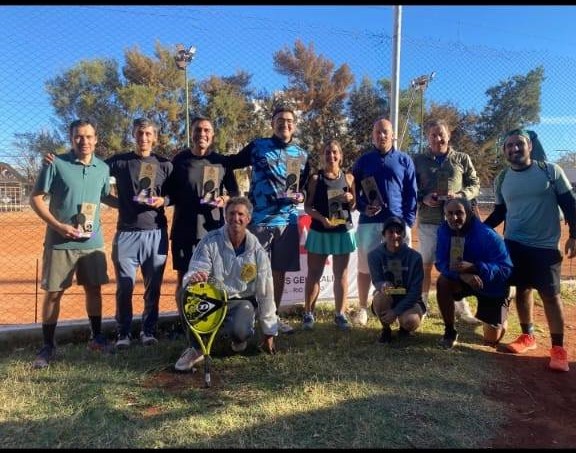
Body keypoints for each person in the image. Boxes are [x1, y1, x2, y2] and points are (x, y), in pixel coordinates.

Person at [485, 128, 576, 372]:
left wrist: (574, 235)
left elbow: (570, 204)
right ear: (504, 150)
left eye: (519, 144)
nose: (514, 148)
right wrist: (478, 229)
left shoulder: (550, 171)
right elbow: (500, 212)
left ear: (530, 147)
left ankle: (558, 349)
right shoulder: (502, 178)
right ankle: (528, 336)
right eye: (509, 145)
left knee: (551, 295)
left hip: (545, 246)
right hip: (514, 244)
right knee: (522, 289)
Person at [30, 119, 111, 368]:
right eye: (78, 136)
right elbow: (36, 199)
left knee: (94, 290)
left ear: (96, 139)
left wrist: (136, 203)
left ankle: (96, 338)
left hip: (92, 242)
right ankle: (48, 346)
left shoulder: (103, 168)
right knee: (53, 293)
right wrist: (59, 226)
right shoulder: (56, 163)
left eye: (88, 136)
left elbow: (105, 196)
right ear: (71, 138)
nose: (84, 141)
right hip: (59, 241)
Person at [226, 104, 310, 335]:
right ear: (272, 124)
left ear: (295, 125)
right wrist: (234, 193)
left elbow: (303, 187)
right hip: (259, 221)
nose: (285, 124)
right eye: (280, 120)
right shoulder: (258, 147)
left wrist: (302, 196)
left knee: (279, 272)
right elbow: (230, 163)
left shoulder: (302, 154)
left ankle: (273, 318)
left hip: (287, 221)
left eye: (289, 121)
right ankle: (248, 319)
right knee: (252, 271)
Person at [165, 116, 239, 370]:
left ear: (213, 134)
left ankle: (213, 330)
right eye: (198, 130)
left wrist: (224, 200)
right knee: (185, 284)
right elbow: (169, 193)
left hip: (213, 234)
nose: (202, 134)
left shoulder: (222, 162)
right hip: (184, 231)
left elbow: (234, 193)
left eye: (207, 130)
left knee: (215, 284)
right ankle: (192, 336)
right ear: (192, 133)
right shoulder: (180, 160)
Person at [175, 196, 278, 371]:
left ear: (248, 219)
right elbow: (196, 269)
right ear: (225, 216)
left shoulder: (258, 252)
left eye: (240, 214)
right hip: (214, 297)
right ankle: (196, 348)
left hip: (241, 302)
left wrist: (269, 332)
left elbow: (266, 292)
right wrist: (195, 276)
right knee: (185, 292)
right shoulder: (209, 241)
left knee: (240, 331)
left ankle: (239, 337)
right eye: (231, 214)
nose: (235, 218)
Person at [106, 118, 173, 349]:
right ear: (133, 135)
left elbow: (175, 194)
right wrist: (118, 203)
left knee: (153, 288)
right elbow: (92, 173)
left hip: (156, 233)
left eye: (148, 134)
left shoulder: (165, 165)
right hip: (126, 234)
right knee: (125, 287)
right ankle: (123, 333)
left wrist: (163, 200)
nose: (143, 138)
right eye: (139, 133)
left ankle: (148, 331)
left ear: (155, 137)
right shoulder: (119, 162)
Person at [413, 119, 481, 325]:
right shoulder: (419, 160)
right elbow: (410, 187)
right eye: (433, 135)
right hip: (429, 221)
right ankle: (422, 305)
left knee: (456, 263)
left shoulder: (461, 158)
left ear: (449, 135)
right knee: (426, 265)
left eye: (441, 134)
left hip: (456, 223)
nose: (437, 139)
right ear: (428, 138)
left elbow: (475, 184)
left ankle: (461, 306)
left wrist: (460, 195)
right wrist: (423, 198)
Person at [351, 117, 418, 326]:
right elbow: (352, 191)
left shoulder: (404, 160)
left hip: (397, 224)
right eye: (377, 132)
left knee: (400, 268)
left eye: (385, 132)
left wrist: (408, 221)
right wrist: (363, 207)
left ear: (393, 135)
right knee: (365, 267)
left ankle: (399, 307)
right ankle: (363, 308)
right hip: (369, 223)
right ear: (372, 136)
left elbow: (411, 193)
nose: (381, 135)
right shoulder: (363, 161)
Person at [435, 198, 512, 349]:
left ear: (469, 213)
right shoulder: (444, 231)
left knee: (491, 341)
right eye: (449, 213)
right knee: (443, 282)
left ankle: (506, 301)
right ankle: (450, 331)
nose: (454, 217)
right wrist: (462, 275)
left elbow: (506, 269)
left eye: (459, 213)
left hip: (491, 284)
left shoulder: (487, 235)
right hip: (463, 279)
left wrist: (476, 267)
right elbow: (441, 262)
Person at [301, 139, 356, 331]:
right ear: (322, 156)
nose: (331, 156)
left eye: (334, 152)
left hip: (342, 231)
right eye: (327, 152)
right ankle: (308, 314)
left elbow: (354, 205)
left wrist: (350, 199)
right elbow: (308, 207)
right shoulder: (315, 179)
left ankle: (340, 314)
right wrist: (322, 219)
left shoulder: (349, 178)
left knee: (341, 275)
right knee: (314, 274)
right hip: (320, 231)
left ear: (340, 156)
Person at [368, 216, 426, 343]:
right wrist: (383, 285)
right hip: (388, 296)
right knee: (380, 298)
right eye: (390, 232)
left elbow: (416, 292)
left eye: (399, 232)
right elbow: (376, 281)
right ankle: (386, 329)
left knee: (411, 321)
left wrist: (395, 311)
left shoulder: (415, 257)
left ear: (404, 234)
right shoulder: (374, 255)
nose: (395, 235)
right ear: (384, 234)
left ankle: (404, 329)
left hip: (409, 299)